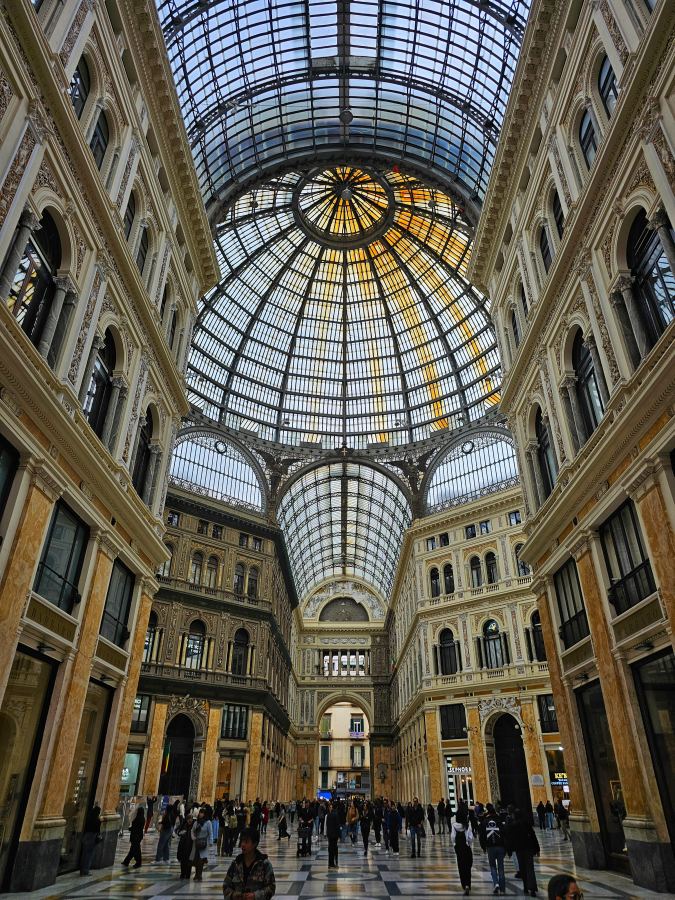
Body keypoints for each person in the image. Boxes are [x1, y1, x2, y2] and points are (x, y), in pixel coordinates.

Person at [223, 827, 276, 900]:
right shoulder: (236, 864)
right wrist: (234, 895)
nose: (243, 844)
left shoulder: (264, 864)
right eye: (242, 841)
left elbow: (271, 888)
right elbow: (226, 886)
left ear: (255, 844)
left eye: (246, 842)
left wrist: (255, 896)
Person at [506, 809, 540, 897]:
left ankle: (525, 886)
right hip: (528, 849)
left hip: (519, 850)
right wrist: (537, 848)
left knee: (523, 868)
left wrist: (509, 850)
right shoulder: (526, 823)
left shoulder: (513, 826)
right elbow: (533, 835)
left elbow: (510, 839)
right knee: (530, 868)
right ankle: (532, 888)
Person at [479, 803, 507, 895]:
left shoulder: (484, 821)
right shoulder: (499, 820)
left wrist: (483, 847)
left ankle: (496, 884)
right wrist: (506, 847)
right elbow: (504, 834)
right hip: (500, 846)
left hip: (490, 847)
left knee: (492, 867)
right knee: (501, 867)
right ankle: (502, 889)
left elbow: (482, 836)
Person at [451, 804, 474, 895]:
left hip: (459, 848)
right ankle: (468, 884)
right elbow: (470, 838)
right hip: (466, 848)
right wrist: (468, 843)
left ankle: (464, 885)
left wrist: (455, 844)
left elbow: (453, 837)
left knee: (461, 866)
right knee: (468, 866)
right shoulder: (467, 825)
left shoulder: (454, 825)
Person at [190, 806, 213, 881]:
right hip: (196, 842)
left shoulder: (208, 822)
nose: (200, 814)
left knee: (201, 860)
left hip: (204, 843)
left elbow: (210, 833)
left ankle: (199, 875)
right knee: (196, 860)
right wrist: (193, 837)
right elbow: (192, 831)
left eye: (202, 813)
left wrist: (210, 842)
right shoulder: (196, 822)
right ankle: (196, 874)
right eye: (200, 813)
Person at [80, 805, 101, 876]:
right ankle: (85, 871)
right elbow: (98, 830)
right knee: (89, 855)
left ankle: (82, 870)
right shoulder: (97, 820)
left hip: (86, 836)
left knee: (84, 854)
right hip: (92, 837)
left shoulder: (88, 818)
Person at [176, 813, 194, 879]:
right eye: (189, 819)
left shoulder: (194, 826)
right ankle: (183, 873)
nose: (190, 820)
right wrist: (180, 833)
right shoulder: (183, 825)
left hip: (190, 846)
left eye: (191, 819)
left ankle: (188, 875)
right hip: (183, 846)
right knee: (183, 861)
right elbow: (177, 831)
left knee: (189, 862)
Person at [326, 801, 340, 869]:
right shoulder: (336, 815)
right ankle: (333, 863)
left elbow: (327, 825)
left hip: (329, 834)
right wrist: (339, 835)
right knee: (334, 849)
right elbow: (337, 826)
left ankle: (330, 863)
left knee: (330, 849)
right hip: (334, 835)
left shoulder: (328, 815)